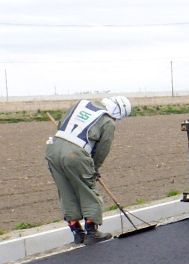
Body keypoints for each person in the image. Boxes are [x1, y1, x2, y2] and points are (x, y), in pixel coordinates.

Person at [44, 96, 132, 245]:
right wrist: (93, 169)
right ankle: (92, 232)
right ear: (117, 112)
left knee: (66, 191)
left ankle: (77, 233)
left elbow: (61, 124)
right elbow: (102, 149)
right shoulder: (107, 121)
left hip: (52, 148)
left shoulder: (81, 104)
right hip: (74, 154)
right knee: (88, 191)